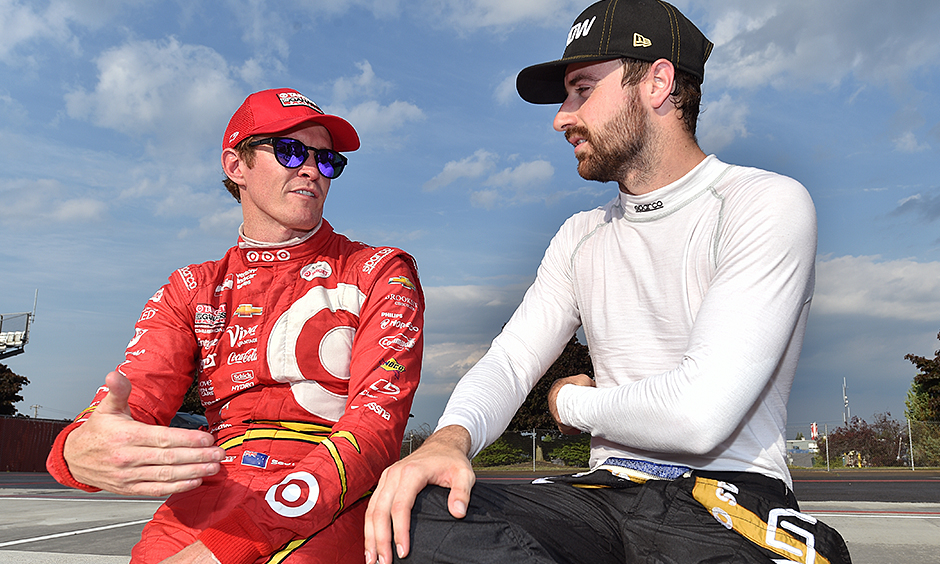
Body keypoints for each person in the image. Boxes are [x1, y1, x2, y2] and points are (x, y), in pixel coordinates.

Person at [364, 2, 851, 563]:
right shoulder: (580, 235)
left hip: (728, 495)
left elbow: (699, 415)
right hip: (606, 493)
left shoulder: (761, 202)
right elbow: (512, 360)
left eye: (582, 90)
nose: (561, 118)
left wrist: (570, 403)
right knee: (416, 512)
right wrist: (450, 439)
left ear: (658, 83)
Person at [46, 88, 425, 564]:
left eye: (327, 160)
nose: (312, 169)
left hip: (334, 496)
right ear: (235, 166)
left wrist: (231, 546)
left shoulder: (379, 271)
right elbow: (133, 398)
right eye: (290, 151)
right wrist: (74, 450)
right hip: (210, 487)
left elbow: (375, 428)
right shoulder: (190, 288)